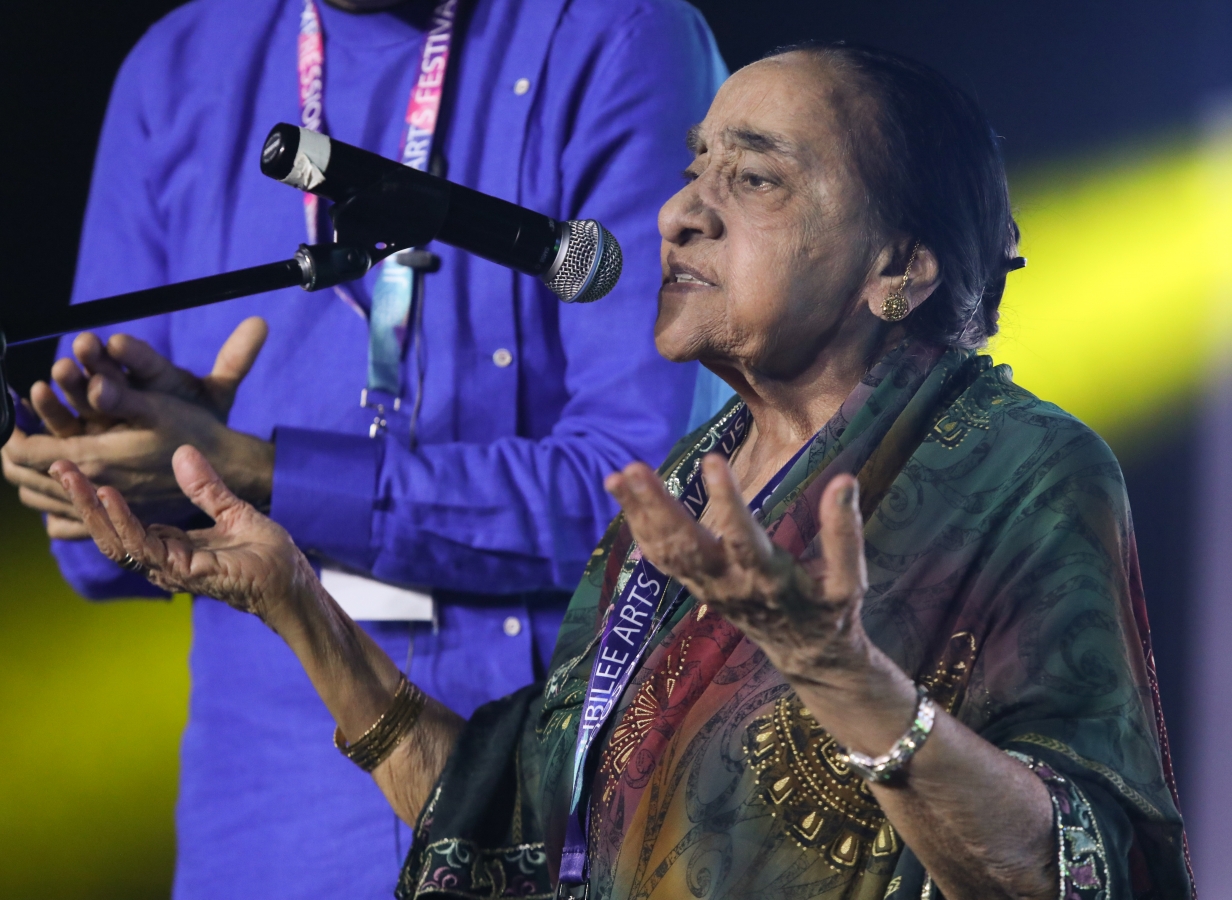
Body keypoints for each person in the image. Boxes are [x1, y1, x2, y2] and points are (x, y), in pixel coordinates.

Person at [49, 43, 1194, 900]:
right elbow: (507, 841)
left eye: (751, 180)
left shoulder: (1024, 471)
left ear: (896, 266)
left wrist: (839, 676)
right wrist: (294, 601)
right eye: (695, 168)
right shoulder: (689, 484)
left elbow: (1076, 869)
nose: (675, 214)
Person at [0, 0, 728, 896]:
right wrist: (121, 472)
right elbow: (95, 565)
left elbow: (647, 500)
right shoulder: (179, 62)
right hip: (264, 818)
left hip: (531, 785)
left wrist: (254, 469)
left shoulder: (618, 33)